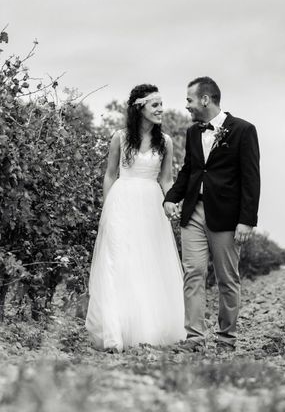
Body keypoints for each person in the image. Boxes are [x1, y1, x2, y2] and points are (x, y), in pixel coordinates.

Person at [85, 84, 185, 352]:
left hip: (151, 204)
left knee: (148, 262)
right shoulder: (120, 137)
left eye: (162, 103)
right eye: (155, 104)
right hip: (122, 202)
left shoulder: (166, 142)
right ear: (139, 108)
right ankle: (116, 332)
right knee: (119, 262)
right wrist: (108, 207)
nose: (161, 109)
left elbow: (166, 178)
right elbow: (110, 174)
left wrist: (171, 201)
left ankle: (147, 329)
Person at [164, 76, 260, 353]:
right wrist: (171, 198)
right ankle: (194, 337)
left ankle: (226, 338)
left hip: (227, 216)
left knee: (226, 278)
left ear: (205, 99)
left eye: (189, 100)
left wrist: (246, 219)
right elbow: (190, 170)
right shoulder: (193, 132)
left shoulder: (243, 130)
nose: (187, 106)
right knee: (192, 272)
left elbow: (251, 178)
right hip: (194, 211)